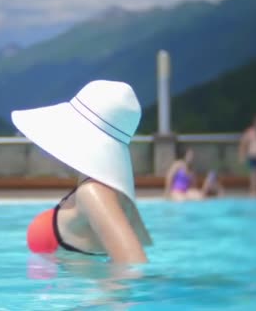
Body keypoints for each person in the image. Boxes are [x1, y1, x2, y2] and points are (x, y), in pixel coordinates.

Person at [13, 80, 153, 264]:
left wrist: (104, 294)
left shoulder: (94, 192)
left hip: (75, 292)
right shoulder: (108, 191)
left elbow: (134, 264)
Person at [239, 115, 256, 196]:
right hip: (253, 156)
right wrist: (242, 155)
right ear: (254, 123)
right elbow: (243, 144)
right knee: (254, 176)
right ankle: (254, 192)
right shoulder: (250, 132)